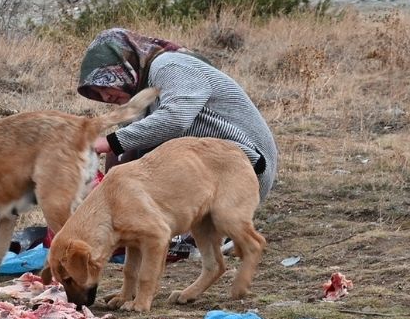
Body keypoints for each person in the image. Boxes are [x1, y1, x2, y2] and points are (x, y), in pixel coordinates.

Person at [77, 27, 278, 207]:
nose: (105, 96)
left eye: (105, 84)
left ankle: (191, 233)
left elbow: (176, 118)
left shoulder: (169, 66)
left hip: (247, 167)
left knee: (122, 149)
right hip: (209, 169)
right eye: (97, 93)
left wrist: (108, 142)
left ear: (124, 65)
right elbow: (127, 153)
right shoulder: (137, 100)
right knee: (121, 157)